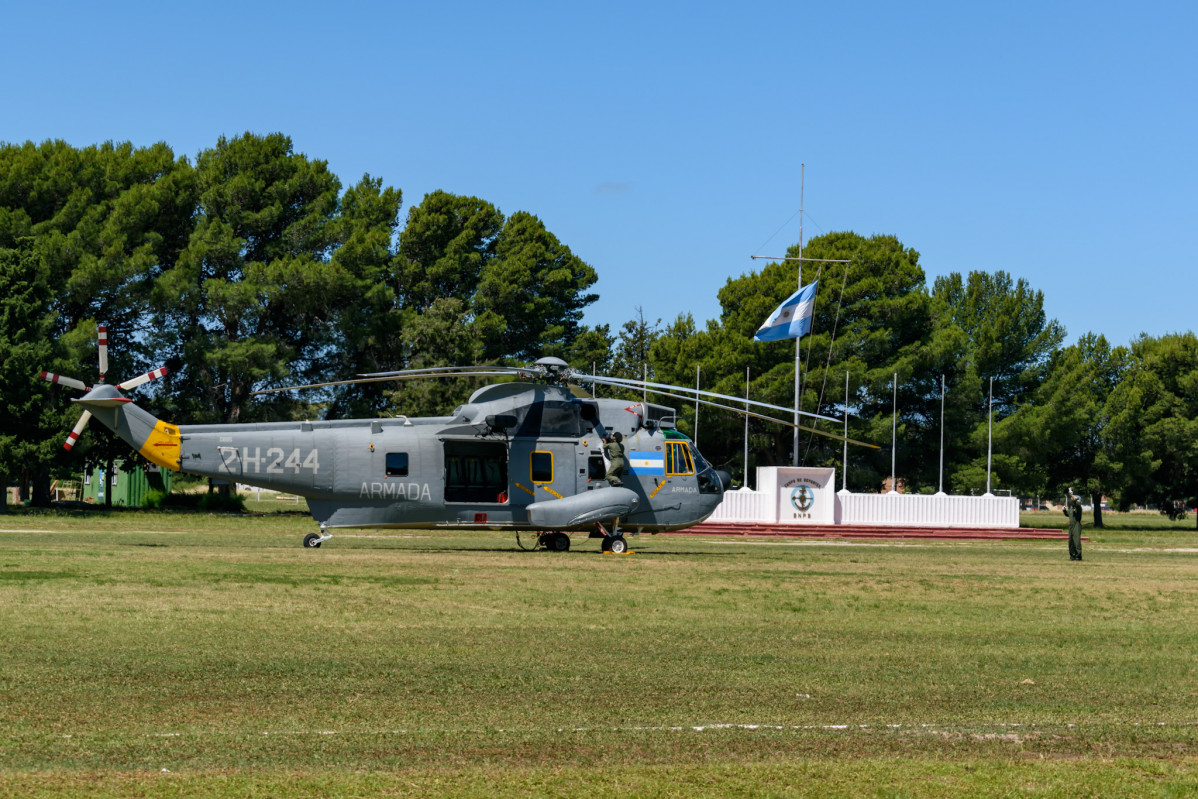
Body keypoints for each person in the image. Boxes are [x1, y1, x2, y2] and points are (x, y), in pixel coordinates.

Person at [1064, 489, 1083, 561]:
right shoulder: (1071, 509)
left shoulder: (1078, 508)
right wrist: (1064, 511)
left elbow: (1077, 505)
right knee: (1071, 542)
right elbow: (1068, 514)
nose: (1072, 502)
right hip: (1071, 527)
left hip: (1076, 526)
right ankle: (1072, 555)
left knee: (1076, 542)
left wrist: (1071, 495)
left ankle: (1078, 556)